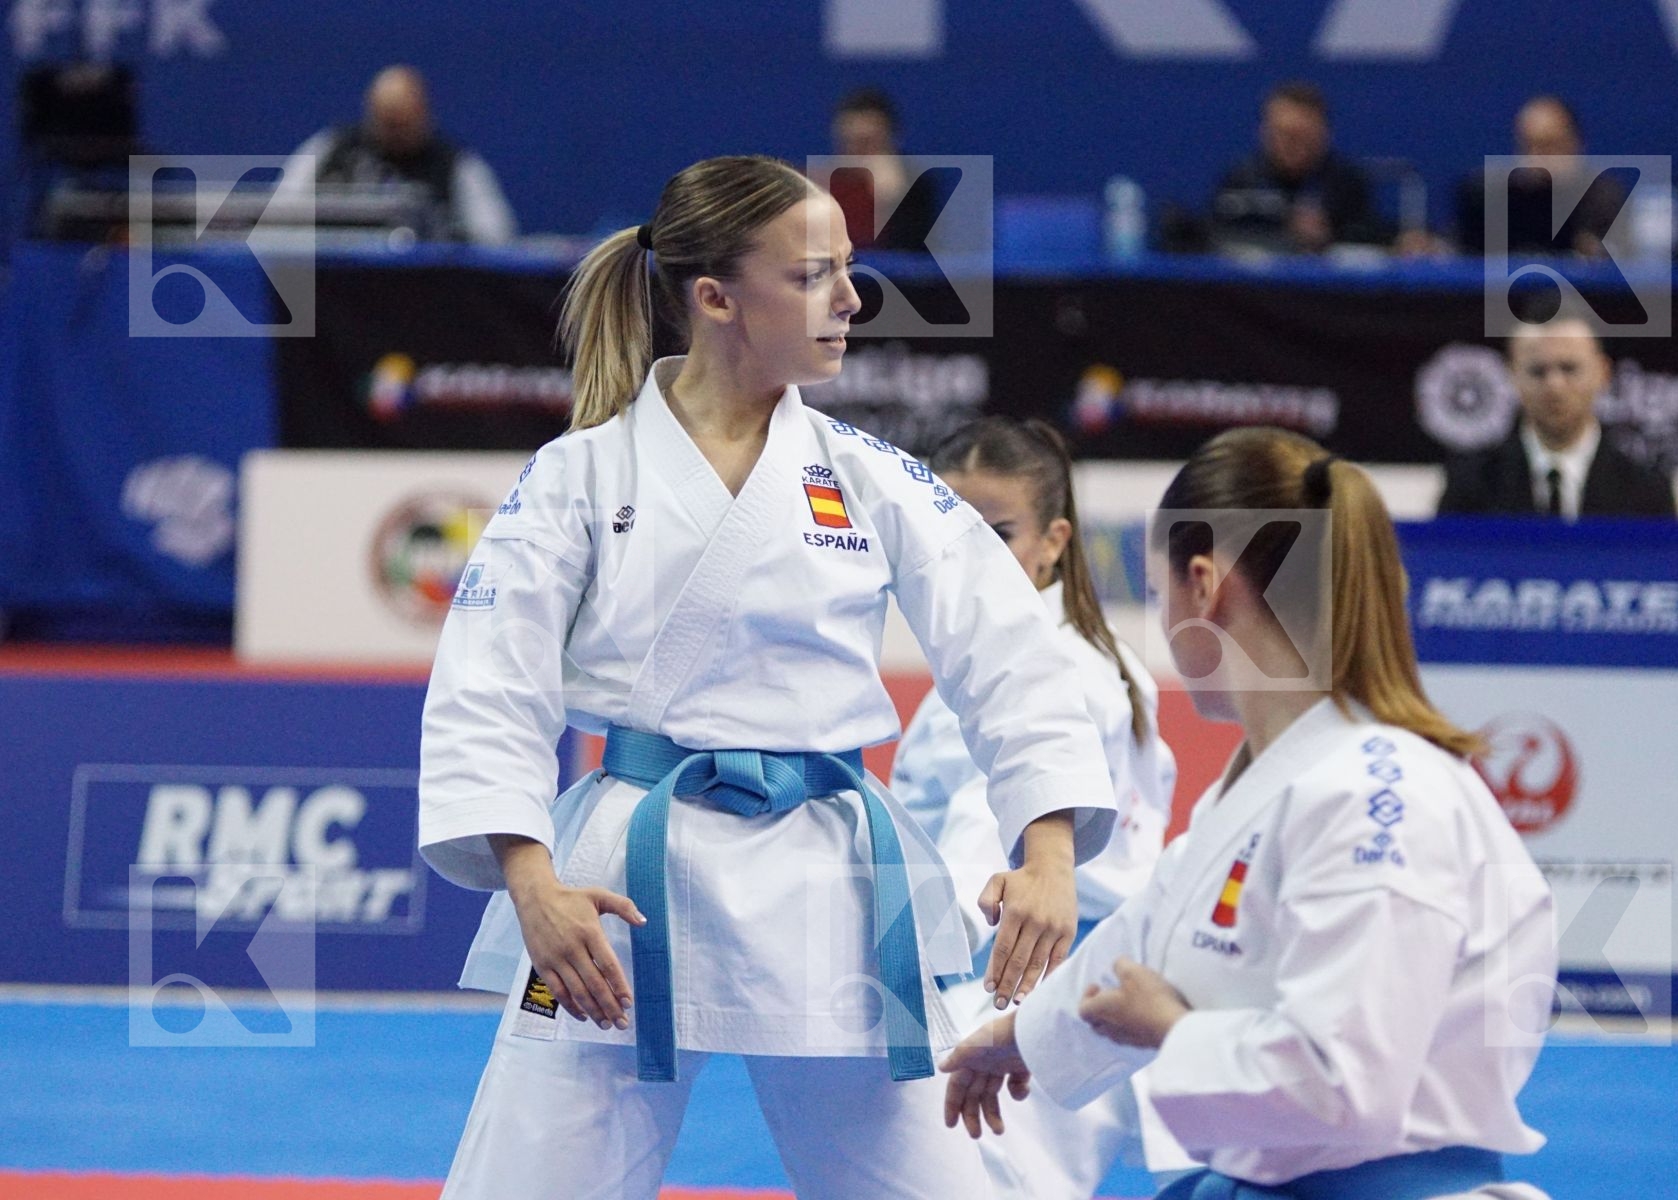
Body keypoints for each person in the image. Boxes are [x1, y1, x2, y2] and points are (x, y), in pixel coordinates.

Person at [418, 155, 1118, 1200]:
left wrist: (1051, 851)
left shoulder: (869, 474)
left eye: (848, 269)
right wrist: (530, 881)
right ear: (715, 298)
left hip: (835, 875)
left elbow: (1012, 653)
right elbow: (489, 685)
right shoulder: (580, 475)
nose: (850, 297)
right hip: (619, 885)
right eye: (813, 275)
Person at [941, 428, 1558, 1200]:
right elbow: (1143, 945)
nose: (1164, 624)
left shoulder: (1380, 798)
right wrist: (1016, 1040)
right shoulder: (1264, 785)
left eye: (1160, 593)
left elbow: (1347, 1084)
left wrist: (1171, 1031)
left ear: (1202, 585)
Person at [888, 416, 1180, 1199]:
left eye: (997, 534)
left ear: (1054, 541)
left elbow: (983, 866)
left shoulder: (1049, 674)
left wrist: (910, 989)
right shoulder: (1098, 660)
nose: (967, 558)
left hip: (1012, 978)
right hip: (1068, 987)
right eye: (946, 532)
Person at [1438, 300, 1678, 519]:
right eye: (1538, 371)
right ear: (1512, 376)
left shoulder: (1647, 491)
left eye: (1569, 368)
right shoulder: (1470, 487)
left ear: (1603, 373)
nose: (1554, 387)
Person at [281, 64, 517, 244]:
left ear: (423, 115)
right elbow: (278, 215)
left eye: (403, 124)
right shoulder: (332, 149)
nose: (395, 133)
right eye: (387, 122)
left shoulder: (455, 164)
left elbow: (497, 236)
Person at [1209, 81, 1390, 254]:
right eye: (1283, 134)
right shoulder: (1241, 180)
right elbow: (1215, 239)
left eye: (1303, 135)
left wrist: (1328, 236)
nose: (1292, 145)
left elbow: (1371, 243)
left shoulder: (1346, 183)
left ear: (1323, 134)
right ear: (1264, 133)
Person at [1455, 95, 1623, 258]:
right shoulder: (1496, 199)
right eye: (1528, 146)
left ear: (1575, 144)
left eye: (1550, 146)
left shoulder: (1602, 198)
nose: (1537, 160)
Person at [826, 86, 939, 251]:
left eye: (868, 142)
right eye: (850, 142)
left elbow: (914, 255)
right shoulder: (822, 188)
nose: (858, 153)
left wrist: (890, 198)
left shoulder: (917, 187)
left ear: (891, 140)